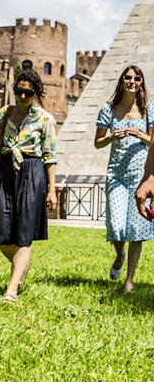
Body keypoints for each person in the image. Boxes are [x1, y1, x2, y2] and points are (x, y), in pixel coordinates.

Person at [0, 69, 57, 304]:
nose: (22, 96)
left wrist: (51, 189)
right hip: (6, 172)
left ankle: (11, 290)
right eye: (18, 91)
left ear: (36, 93)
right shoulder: (3, 114)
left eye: (27, 92)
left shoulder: (45, 119)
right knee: (2, 232)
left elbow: (50, 156)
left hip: (33, 171)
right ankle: (22, 265)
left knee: (24, 231)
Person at [94, 65, 154, 292]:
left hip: (140, 175)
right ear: (121, 81)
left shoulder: (148, 110)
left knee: (136, 229)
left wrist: (142, 136)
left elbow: (153, 142)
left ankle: (129, 281)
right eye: (128, 78)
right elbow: (97, 143)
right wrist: (111, 136)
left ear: (141, 83)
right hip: (117, 174)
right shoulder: (108, 110)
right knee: (117, 226)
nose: (132, 81)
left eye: (137, 78)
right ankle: (120, 254)